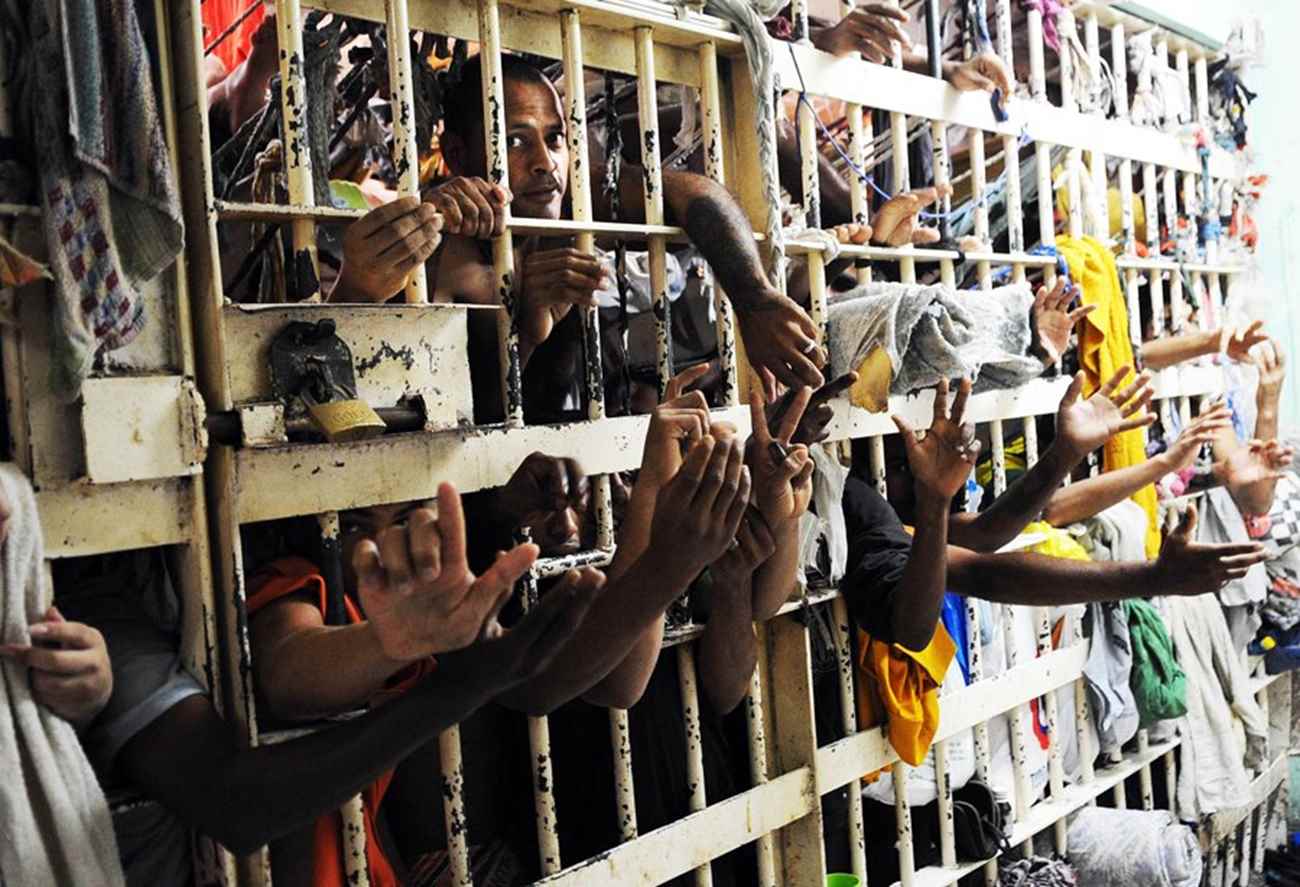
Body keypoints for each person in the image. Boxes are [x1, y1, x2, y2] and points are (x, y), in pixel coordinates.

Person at [46, 510, 597, 887]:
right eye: (356, 524)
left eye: (406, 516)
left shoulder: (408, 608)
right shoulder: (289, 583)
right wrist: (448, 680)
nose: (384, 542)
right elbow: (286, 682)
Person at [332, 53, 825, 415]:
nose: (545, 162)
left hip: (579, 477)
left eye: (554, 139)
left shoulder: (573, 201)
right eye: (515, 141)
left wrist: (755, 298)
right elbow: (438, 415)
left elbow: (694, 193)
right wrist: (526, 329)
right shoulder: (438, 240)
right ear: (460, 155)